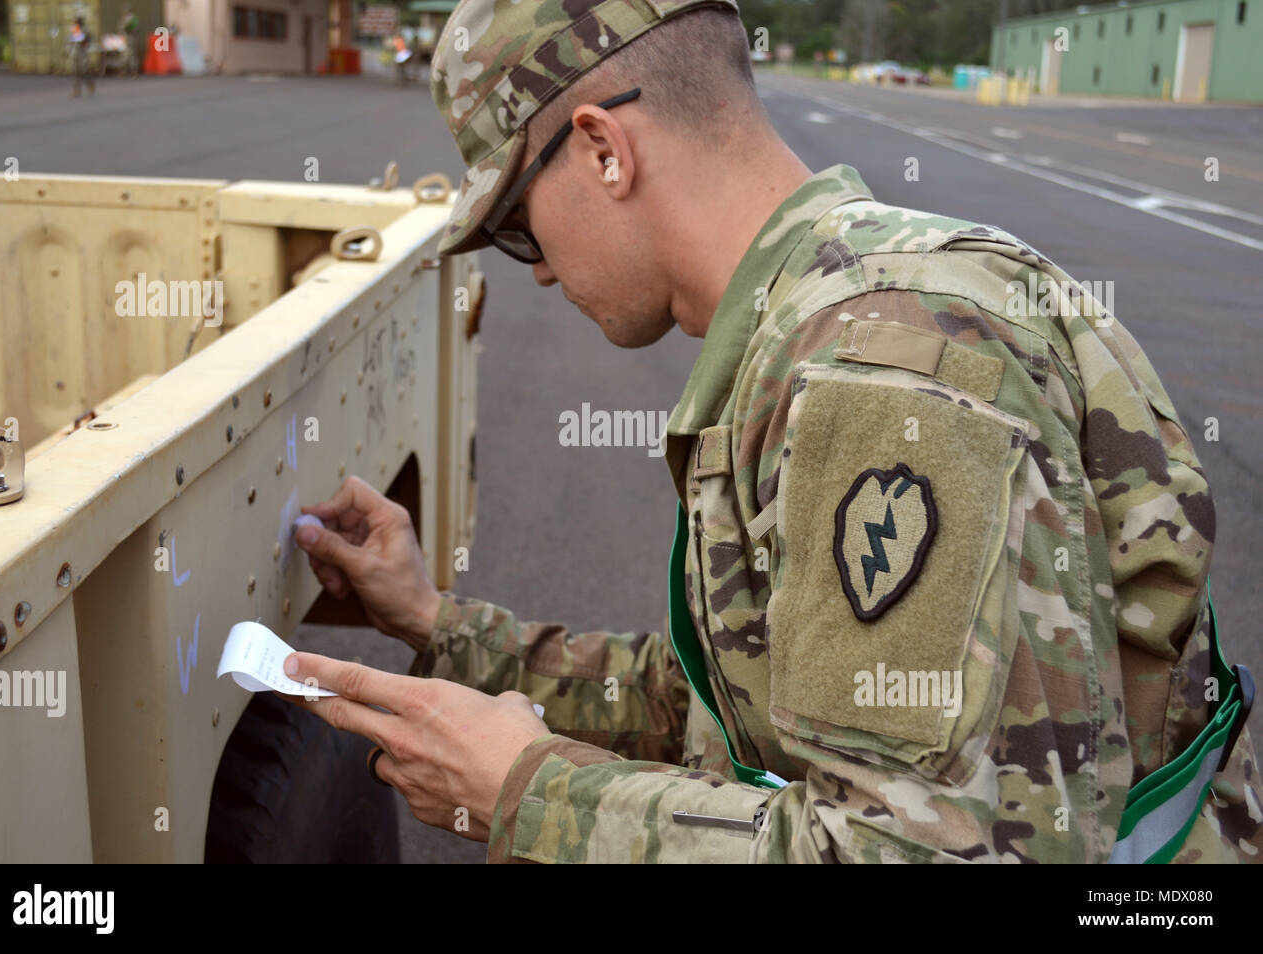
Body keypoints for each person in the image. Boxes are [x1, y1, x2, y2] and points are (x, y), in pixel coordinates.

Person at [285, 0, 1262, 863]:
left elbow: (924, 849)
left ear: (602, 151)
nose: (535, 269)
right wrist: (431, 623)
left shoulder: (877, 365)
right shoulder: (823, 322)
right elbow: (716, 709)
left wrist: (530, 799)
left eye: (517, 227)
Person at [67, 16, 95, 97]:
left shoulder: (85, 30)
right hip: (74, 53)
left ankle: (90, 85)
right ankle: (76, 91)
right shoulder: (74, 29)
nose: (76, 23)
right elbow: (69, 41)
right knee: (75, 73)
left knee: (84, 71)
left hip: (82, 53)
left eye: (77, 22)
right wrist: (67, 51)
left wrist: (85, 43)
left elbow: (89, 40)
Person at [118, 5, 140, 77]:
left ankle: (125, 71)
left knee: (127, 55)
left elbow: (123, 27)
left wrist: (121, 30)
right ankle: (134, 71)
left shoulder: (128, 18)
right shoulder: (135, 18)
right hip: (133, 37)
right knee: (132, 54)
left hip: (129, 37)